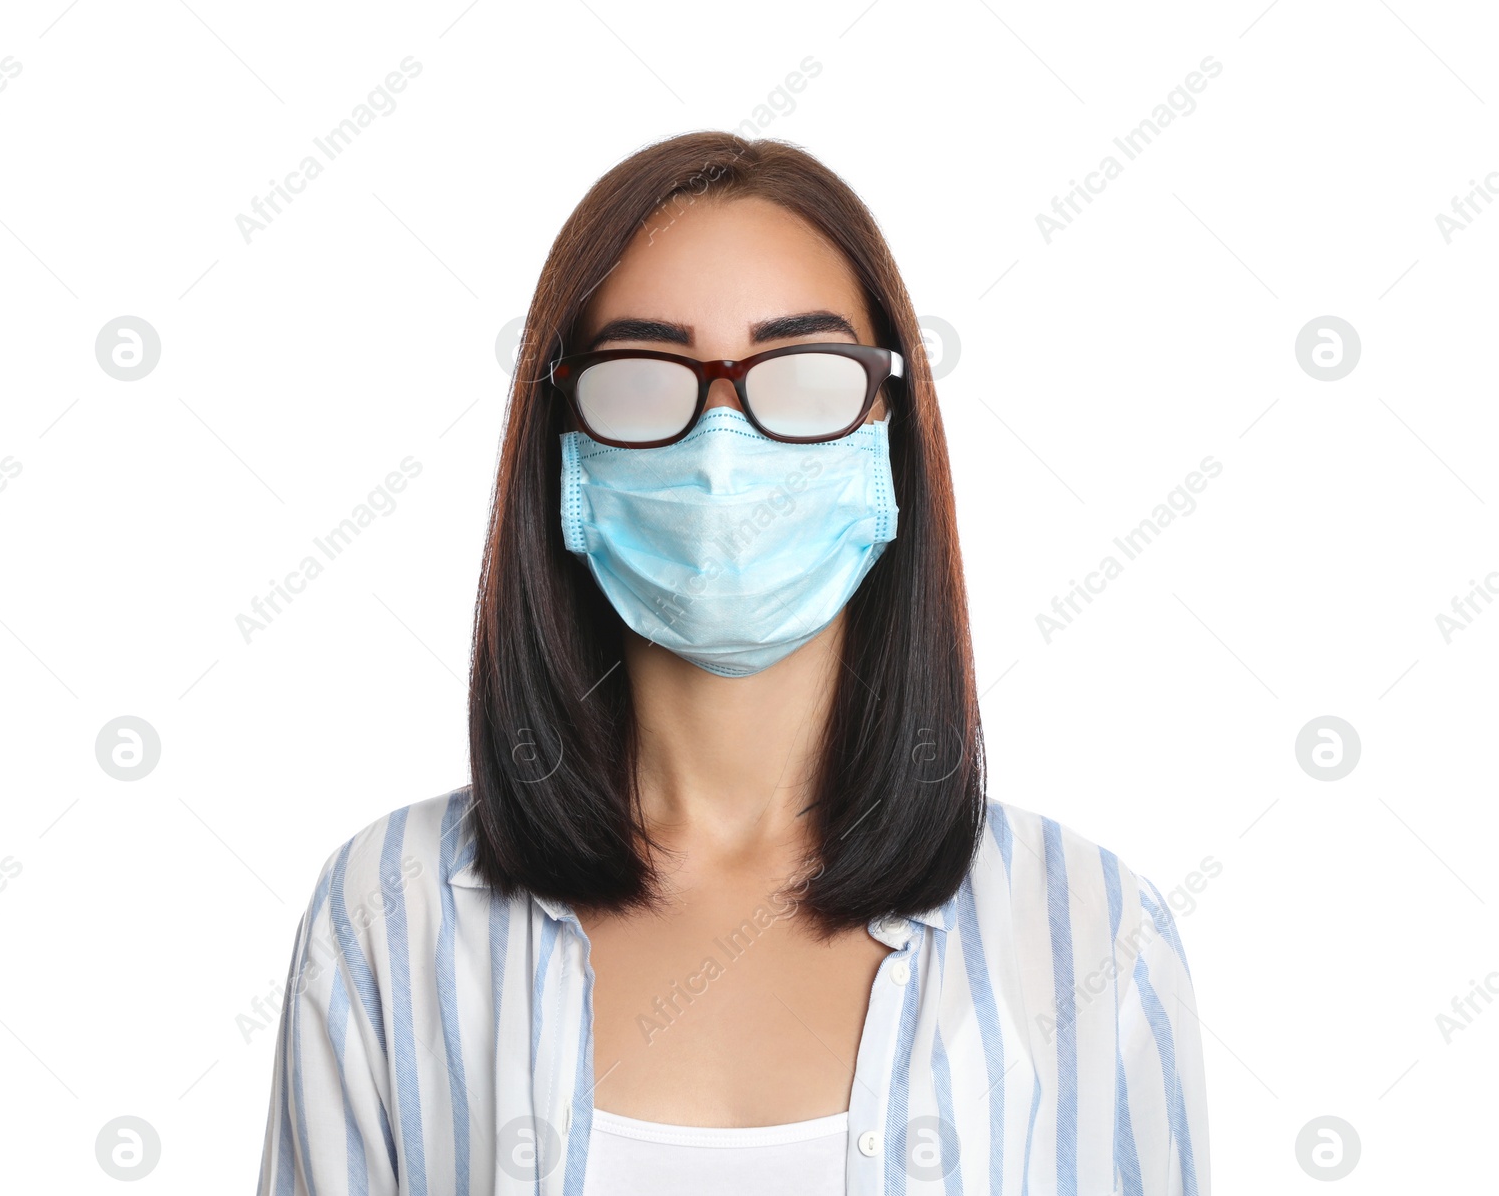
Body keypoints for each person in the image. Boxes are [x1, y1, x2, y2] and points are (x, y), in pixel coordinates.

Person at [256, 132, 1210, 1195]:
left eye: (803, 376)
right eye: (643, 377)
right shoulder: (391, 910)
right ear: (565, 439)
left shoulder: (1089, 929)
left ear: (887, 430)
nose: (721, 445)